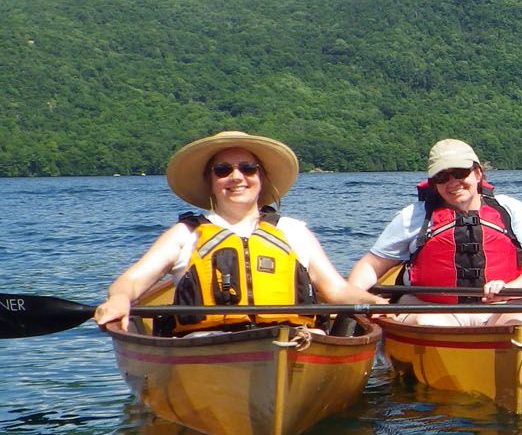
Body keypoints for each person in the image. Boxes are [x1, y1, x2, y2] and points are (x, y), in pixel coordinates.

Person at [93, 130, 376, 333]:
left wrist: (377, 303)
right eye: (223, 169)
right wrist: (119, 299)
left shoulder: (294, 231)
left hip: (293, 339)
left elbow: (336, 290)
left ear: (261, 178)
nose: (237, 177)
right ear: (211, 181)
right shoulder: (185, 234)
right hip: (208, 343)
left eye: (248, 168)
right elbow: (130, 282)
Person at [346, 139, 522, 327]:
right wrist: (357, 297)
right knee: (430, 323)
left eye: (460, 173)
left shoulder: (511, 209)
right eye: (442, 177)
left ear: (478, 173)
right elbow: (370, 267)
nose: (453, 183)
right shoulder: (413, 216)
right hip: (430, 307)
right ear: (434, 183)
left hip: (502, 306)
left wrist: (509, 289)